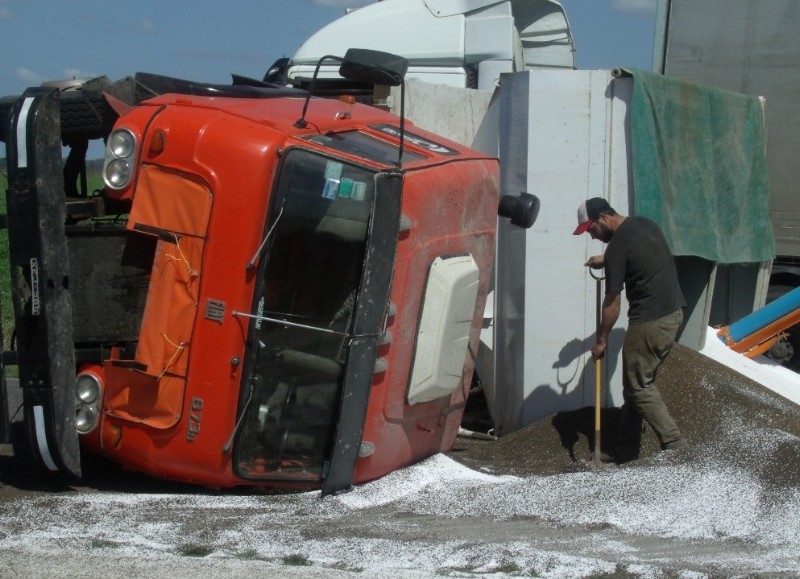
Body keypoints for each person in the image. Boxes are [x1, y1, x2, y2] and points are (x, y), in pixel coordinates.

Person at [574, 197, 687, 462]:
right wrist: (608, 259)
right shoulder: (643, 225)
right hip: (673, 314)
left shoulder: (617, 248)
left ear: (603, 217)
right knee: (637, 386)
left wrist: (601, 340)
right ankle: (625, 451)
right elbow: (637, 254)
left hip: (650, 320)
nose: (592, 235)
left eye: (591, 229)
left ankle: (677, 447)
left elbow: (613, 302)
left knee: (638, 388)